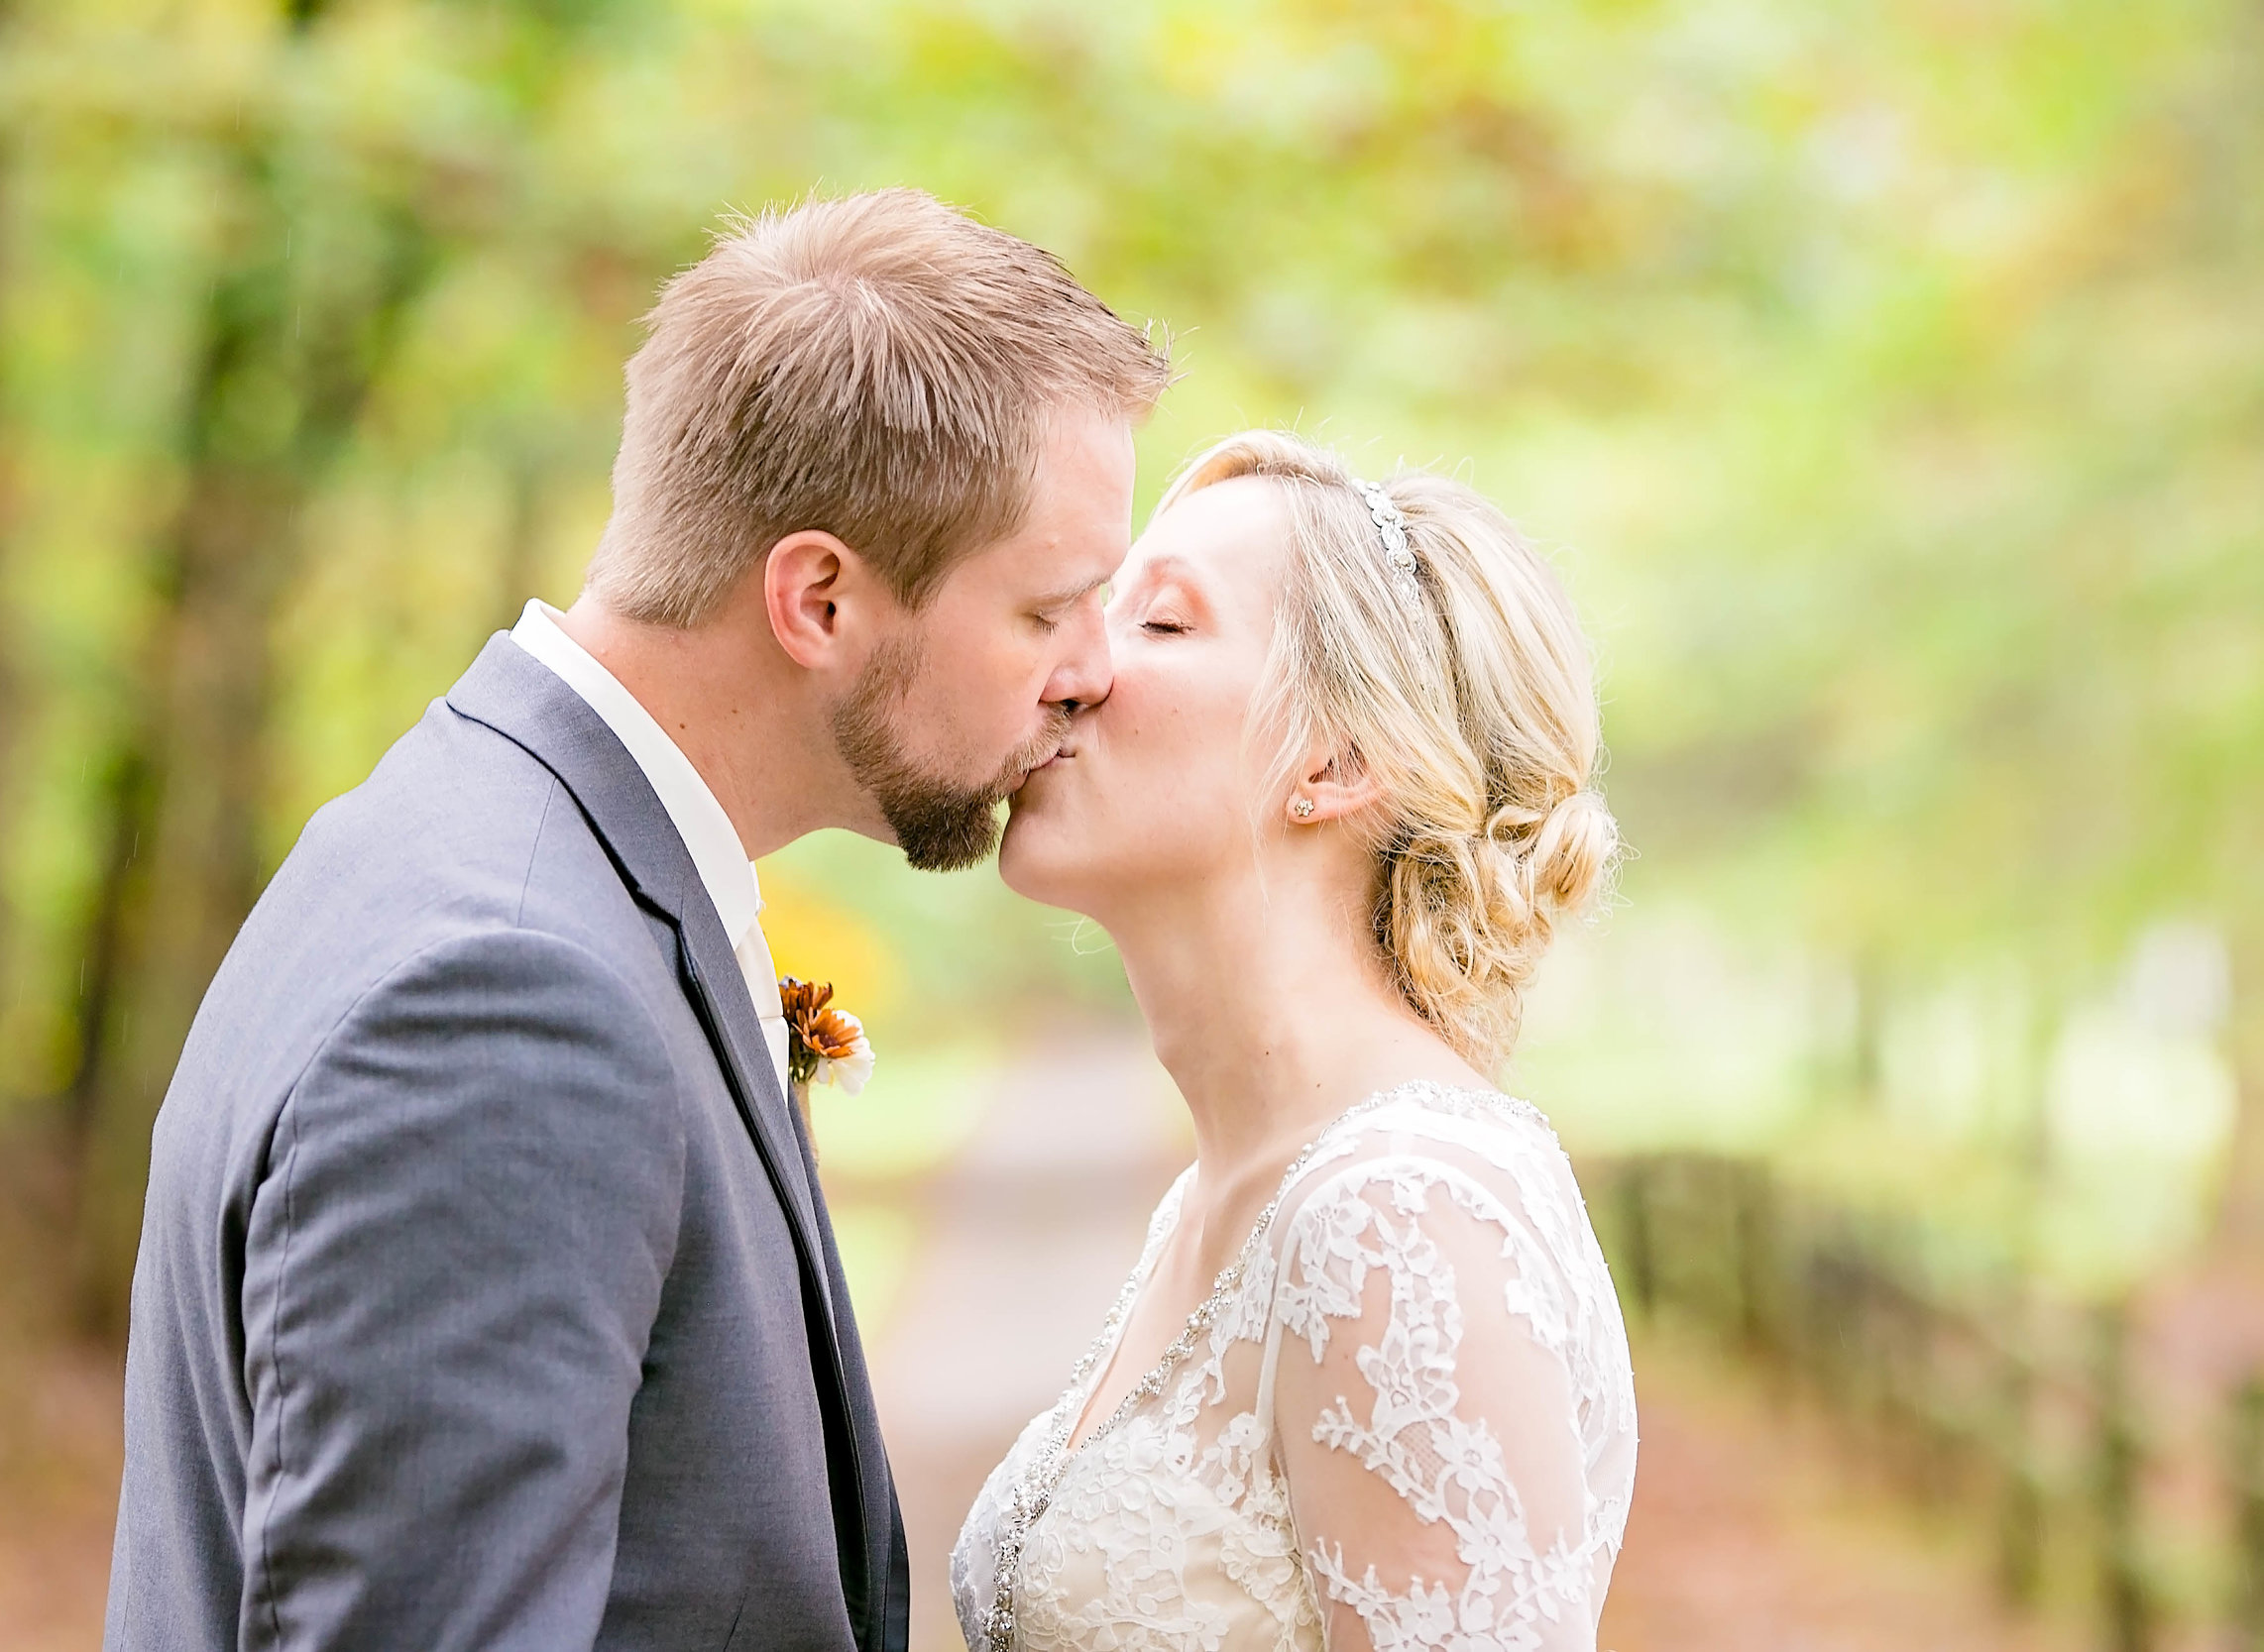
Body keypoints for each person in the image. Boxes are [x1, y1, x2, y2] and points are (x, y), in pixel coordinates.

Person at [103, 188, 1171, 1652]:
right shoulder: (508, 1001)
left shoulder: (478, 840)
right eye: (1049, 609)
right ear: (818, 599)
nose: (1092, 669)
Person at [954, 431, 1638, 1651]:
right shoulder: (1216, 1200)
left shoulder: (1398, 1213)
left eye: (1158, 624)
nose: (1070, 663)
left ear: (1335, 758)